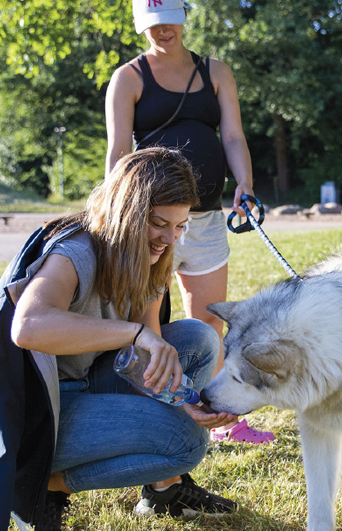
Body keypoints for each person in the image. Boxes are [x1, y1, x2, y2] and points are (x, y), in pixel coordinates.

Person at [0, 148, 240, 531]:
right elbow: (28, 326)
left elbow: (147, 359)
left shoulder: (152, 258)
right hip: (39, 413)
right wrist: (132, 334)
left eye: (180, 226)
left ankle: (163, 493)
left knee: (196, 337)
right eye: (157, 223)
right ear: (126, 211)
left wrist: (186, 400)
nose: (168, 238)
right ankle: (44, 486)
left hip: (89, 383)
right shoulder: (77, 249)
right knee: (185, 445)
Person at [105, 0, 275, 444]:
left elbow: (233, 135)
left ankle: (224, 418)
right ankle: (163, 412)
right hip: (151, 222)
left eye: (169, 21)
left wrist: (245, 183)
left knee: (208, 325)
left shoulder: (215, 72)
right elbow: (119, 151)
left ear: (184, 18)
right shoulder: (128, 78)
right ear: (141, 25)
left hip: (207, 217)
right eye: (152, 24)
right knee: (151, 324)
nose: (162, 31)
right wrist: (118, 211)